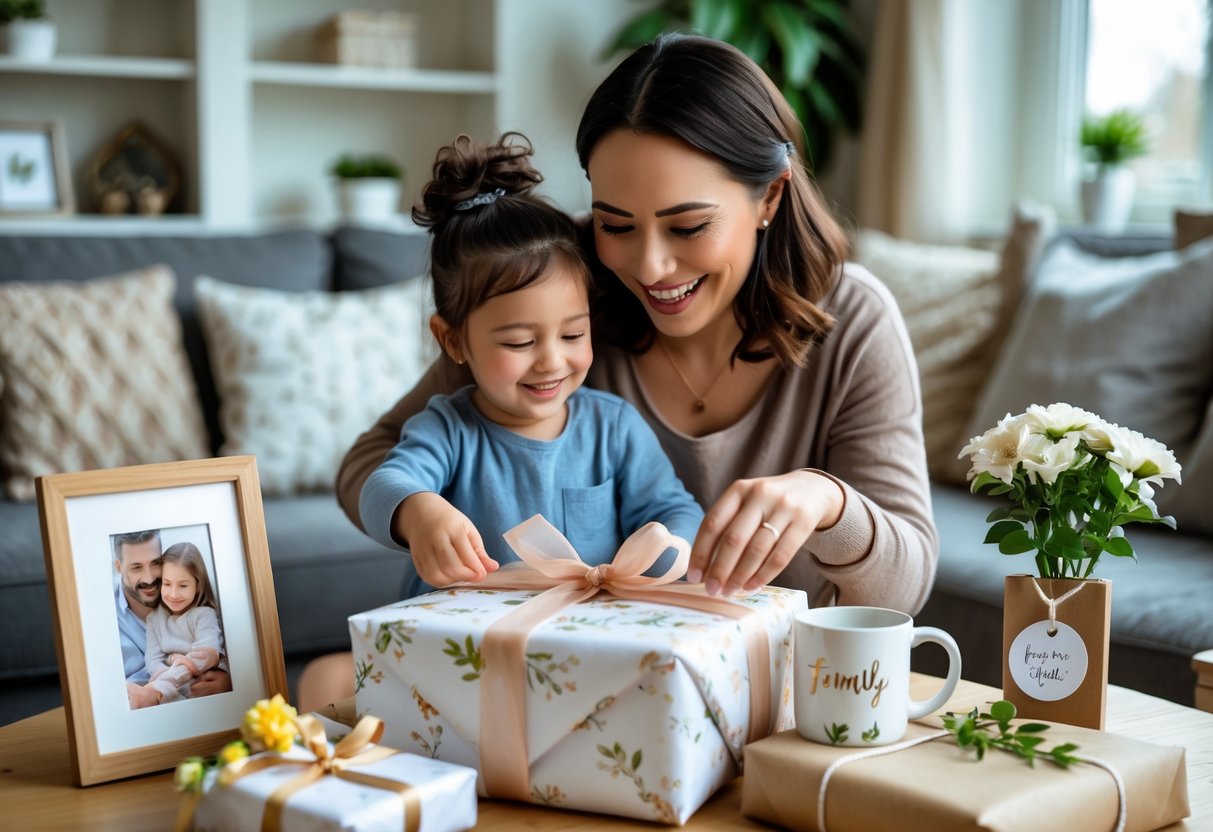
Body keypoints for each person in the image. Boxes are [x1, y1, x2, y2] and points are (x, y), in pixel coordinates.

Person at [337, 33, 937, 617]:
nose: (648, 267)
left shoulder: (854, 322)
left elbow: (901, 590)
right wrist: (416, 514)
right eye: (616, 224)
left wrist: (827, 501)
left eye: (688, 226)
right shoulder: (555, 286)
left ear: (770, 199)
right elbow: (374, 458)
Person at [359, 131, 703, 598]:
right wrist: (419, 511)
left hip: (583, 641)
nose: (552, 361)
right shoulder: (449, 429)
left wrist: (668, 545)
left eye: (573, 334)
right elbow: (382, 486)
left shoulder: (614, 427)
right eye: (520, 342)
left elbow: (675, 508)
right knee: (326, 675)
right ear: (453, 340)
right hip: (467, 648)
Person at [113, 530, 231, 709]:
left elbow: (219, 652)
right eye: (136, 567)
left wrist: (230, 679)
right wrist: (166, 682)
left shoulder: (206, 609)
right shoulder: (103, 617)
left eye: (155, 563)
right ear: (119, 566)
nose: (150, 577)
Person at [138, 542, 227, 706]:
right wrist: (166, 681)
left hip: (198, 684)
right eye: (167, 584)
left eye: (183, 585)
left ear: (198, 585)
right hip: (167, 684)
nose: (173, 594)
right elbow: (153, 659)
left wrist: (181, 663)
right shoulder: (154, 619)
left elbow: (206, 654)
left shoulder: (204, 615)